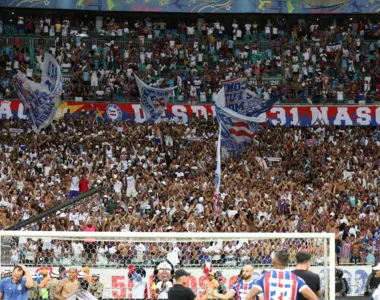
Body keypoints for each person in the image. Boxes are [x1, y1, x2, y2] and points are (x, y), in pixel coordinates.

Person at [246, 250, 318, 300]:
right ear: (287, 263)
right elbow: (314, 298)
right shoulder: (296, 279)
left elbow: (248, 297)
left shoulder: (263, 278)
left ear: (273, 262)